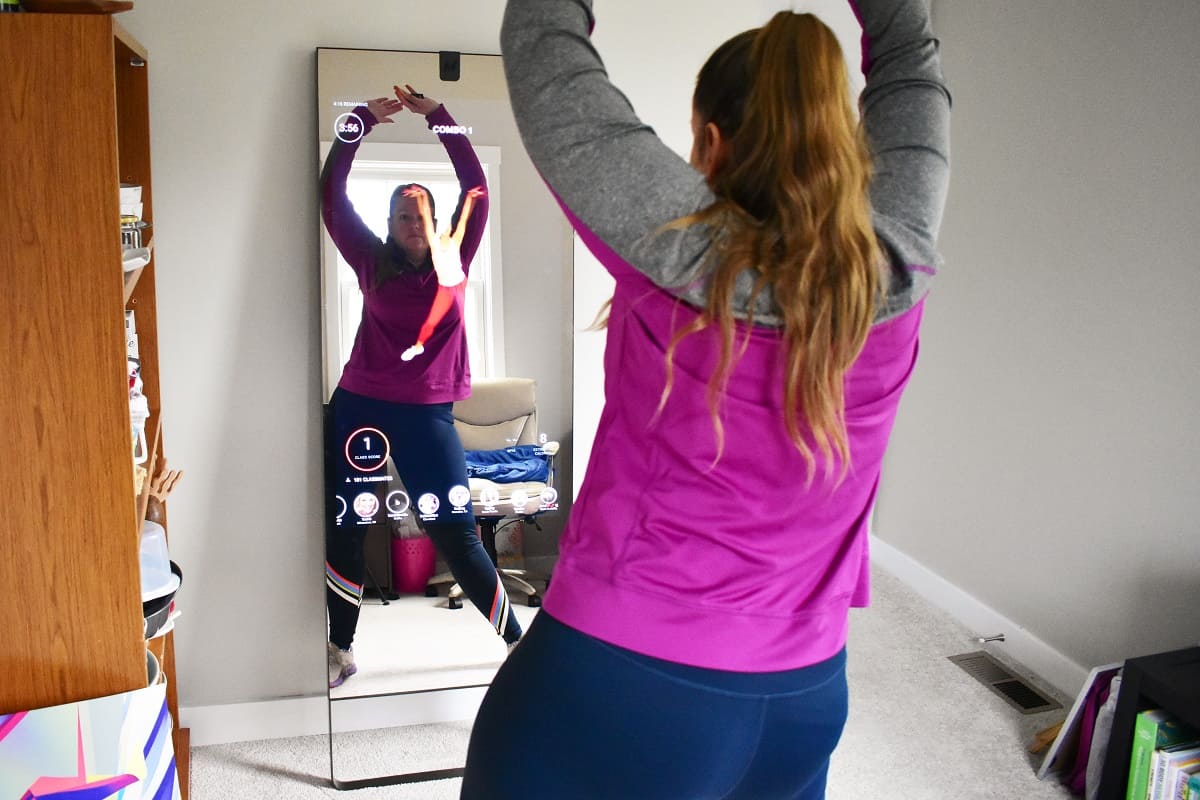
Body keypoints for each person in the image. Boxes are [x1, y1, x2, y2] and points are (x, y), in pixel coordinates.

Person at [462, 0, 950, 797]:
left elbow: (542, 45)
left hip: (621, 683)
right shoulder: (895, 266)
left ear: (712, 144)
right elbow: (913, 65)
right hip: (805, 696)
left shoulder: (679, 245)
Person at [320, 84, 523, 690]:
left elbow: (475, 186)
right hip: (361, 408)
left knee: (457, 532)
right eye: (404, 216)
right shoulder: (368, 259)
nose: (415, 224)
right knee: (347, 526)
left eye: (423, 215)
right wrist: (359, 122)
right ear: (389, 225)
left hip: (428, 414)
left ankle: (519, 645)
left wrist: (439, 116)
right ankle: (341, 648)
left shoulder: (455, 257)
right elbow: (331, 195)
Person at [398, 183, 486, 362]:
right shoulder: (434, 245)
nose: (446, 231)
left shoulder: (455, 242)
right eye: (443, 231)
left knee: (457, 321)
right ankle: (418, 346)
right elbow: (427, 219)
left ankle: (460, 353)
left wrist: (470, 199)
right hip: (445, 287)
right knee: (432, 320)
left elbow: (463, 221)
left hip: (458, 284)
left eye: (448, 231)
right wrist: (421, 195)